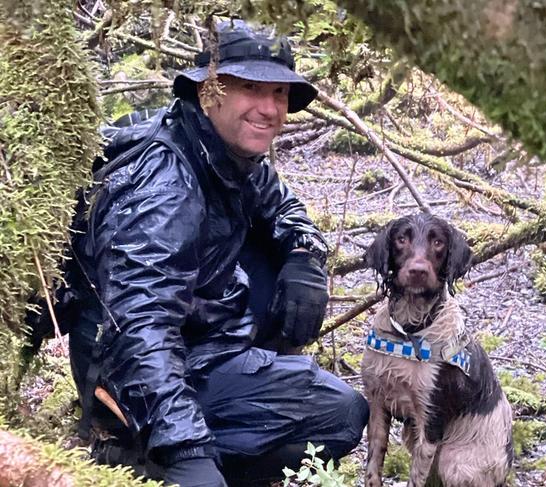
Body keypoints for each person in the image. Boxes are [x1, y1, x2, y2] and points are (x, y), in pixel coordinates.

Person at [66, 19, 369, 487]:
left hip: (201, 343)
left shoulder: (225, 152)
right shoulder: (165, 184)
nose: (269, 109)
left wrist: (305, 254)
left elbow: (281, 204)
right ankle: (138, 459)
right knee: (334, 416)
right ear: (210, 91)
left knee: (343, 413)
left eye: (280, 94)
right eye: (251, 88)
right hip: (129, 374)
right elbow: (138, 328)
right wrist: (186, 448)